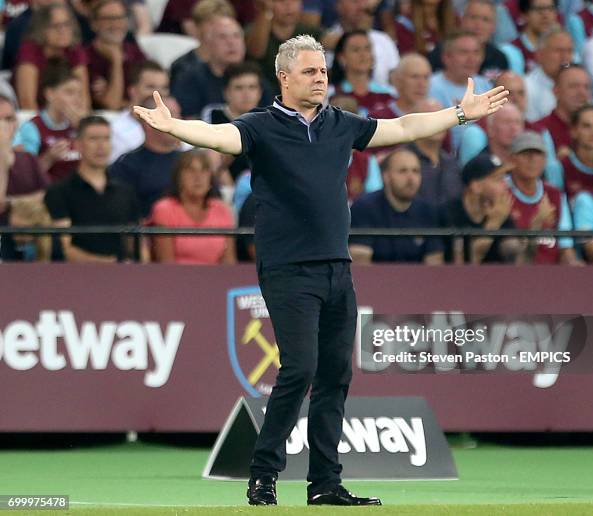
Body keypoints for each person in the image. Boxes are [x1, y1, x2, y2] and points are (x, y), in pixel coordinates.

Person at [133, 34, 508, 506]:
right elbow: (221, 136)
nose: (320, 79)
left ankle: (325, 484)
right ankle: (263, 475)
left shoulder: (339, 124)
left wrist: (458, 114)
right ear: (284, 78)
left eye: (324, 72)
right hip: (288, 268)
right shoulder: (261, 126)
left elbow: (404, 126)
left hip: (338, 267)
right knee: (301, 368)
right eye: (311, 72)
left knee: (335, 374)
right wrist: (175, 127)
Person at [44, 115, 142, 262]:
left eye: (106, 138)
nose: (101, 146)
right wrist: (107, 265)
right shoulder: (59, 192)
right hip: (76, 277)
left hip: (123, 277)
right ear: (77, 144)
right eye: (93, 139)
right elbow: (63, 248)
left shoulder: (125, 192)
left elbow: (136, 243)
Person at [349, 148, 444, 264]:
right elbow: (360, 263)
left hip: (418, 281)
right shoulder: (364, 208)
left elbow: (434, 264)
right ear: (386, 176)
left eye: (416, 171)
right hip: (375, 281)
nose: (411, 178)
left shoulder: (427, 212)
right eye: (403, 171)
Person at [506, 131, 582, 264]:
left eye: (538, 154)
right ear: (512, 159)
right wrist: (535, 226)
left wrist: (574, 265)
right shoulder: (502, 191)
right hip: (513, 272)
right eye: (525, 154)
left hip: (552, 274)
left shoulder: (555, 194)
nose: (532, 159)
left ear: (545, 160)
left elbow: (565, 246)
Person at [150, 150, 236, 264]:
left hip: (217, 279)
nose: (198, 177)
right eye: (190, 170)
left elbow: (230, 264)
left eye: (204, 170)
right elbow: (166, 264)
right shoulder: (164, 209)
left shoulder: (222, 210)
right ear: (178, 177)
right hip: (176, 279)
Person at [440, 153, 522, 264]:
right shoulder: (449, 213)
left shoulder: (499, 211)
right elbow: (469, 263)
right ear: (476, 186)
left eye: (505, 179)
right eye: (499, 179)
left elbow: (515, 259)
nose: (506, 185)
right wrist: (493, 224)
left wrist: (534, 229)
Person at [110, 95, 183, 217]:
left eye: (179, 115)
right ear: (149, 123)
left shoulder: (189, 162)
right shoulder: (126, 166)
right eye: (171, 116)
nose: (179, 122)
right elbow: (121, 211)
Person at [13, 64, 86, 182]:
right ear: (49, 94)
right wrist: (49, 158)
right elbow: (24, 176)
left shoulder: (82, 126)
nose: (77, 99)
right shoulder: (33, 127)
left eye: (79, 94)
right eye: (69, 92)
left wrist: (83, 130)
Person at [0, 94, 50, 261]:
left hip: (29, 238)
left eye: (9, 119)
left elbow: (49, 195)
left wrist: (18, 205)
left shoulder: (27, 159)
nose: (3, 126)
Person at [13, 3, 90, 110]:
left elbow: (84, 98)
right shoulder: (30, 50)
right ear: (42, 29)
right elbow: (27, 102)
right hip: (36, 117)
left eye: (67, 25)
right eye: (56, 26)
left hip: (68, 117)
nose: (63, 30)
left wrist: (80, 122)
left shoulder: (75, 50)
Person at [429, 30, 492, 150]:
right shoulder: (431, 87)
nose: (471, 59)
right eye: (464, 53)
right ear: (446, 57)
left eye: (476, 53)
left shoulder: (486, 86)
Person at [245, 0, 321, 92]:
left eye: (293, 1)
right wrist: (265, 12)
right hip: (264, 94)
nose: (288, 6)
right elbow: (255, 52)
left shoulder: (309, 31)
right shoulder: (255, 31)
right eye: (280, 1)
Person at [84, 0, 146, 110]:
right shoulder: (86, 57)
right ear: (94, 24)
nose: (116, 24)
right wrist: (116, 61)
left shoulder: (133, 50)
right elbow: (111, 105)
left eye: (120, 18)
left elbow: (151, 91)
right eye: (108, 19)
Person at [428, 0, 509, 80]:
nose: (478, 24)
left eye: (485, 19)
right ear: (462, 20)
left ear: (494, 26)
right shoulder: (441, 52)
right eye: (473, 17)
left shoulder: (499, 59)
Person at [110, 60, 170, 163]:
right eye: (150, 87)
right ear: (133, 91)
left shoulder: (176, 127)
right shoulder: (114, 130)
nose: (158, 94)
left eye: (164, 88)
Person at [407, 98, 463, 208]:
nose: (438, 123)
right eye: (430, 117)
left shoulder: (452, 162)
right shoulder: (401, 161)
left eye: (442, 117)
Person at [328, 30, 395, 117]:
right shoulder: (330, 94)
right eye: (356, 50)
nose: (363, 55)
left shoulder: (390, 94)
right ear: (342, 57)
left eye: (367, 49)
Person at [524, 29, 575, 123]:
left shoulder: (580, 84)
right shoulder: (526, 87)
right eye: (558, 51)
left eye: (569, 51)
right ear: (539, 55)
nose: (565, 57)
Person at [459, 102, 524, 165]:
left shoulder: (524, 165)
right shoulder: (479, 165)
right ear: (490, 129)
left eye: (517, 122)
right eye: (506, 122)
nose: (514, 128)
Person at [509, 0, 560, 73]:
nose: (545, 15)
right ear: (524, 15)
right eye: (539, 9)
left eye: (550, 8)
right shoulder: (512, 50)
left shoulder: (564, 48)